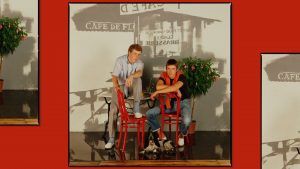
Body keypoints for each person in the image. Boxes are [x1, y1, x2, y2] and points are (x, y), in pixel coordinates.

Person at [104, 44, 144, 149]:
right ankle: (111, 139)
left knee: (138, 79)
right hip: (120, 85)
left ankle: (136, 108)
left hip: (132, 87)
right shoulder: (120, 60)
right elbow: (114, 76)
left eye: (139, 54)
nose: (136, 56)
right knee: (113, 110)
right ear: (129, 52)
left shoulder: (139, 63)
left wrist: (131, 76)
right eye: (135, 53)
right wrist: (117, 88)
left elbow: (140, 73)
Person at [146, 59, 191, 147]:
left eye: (173, 69)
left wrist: (157, 92)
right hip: (169, 104)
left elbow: (162, 89)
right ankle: (160, 134)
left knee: (187, 120)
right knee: (149, 113)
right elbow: (158, 86)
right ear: (166, 69)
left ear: (177, 69)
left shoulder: (182, 77)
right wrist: (175, 89)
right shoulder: (163, 75)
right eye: (168, 68)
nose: (170, 71)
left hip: (183, 103)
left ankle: (182, 134)